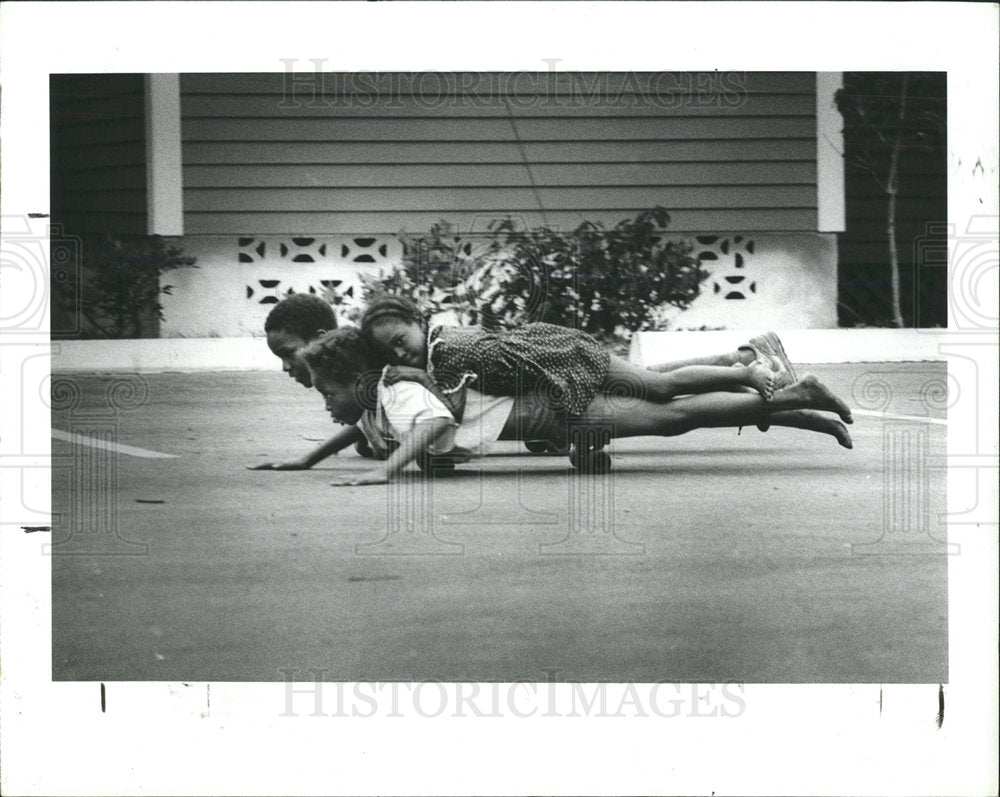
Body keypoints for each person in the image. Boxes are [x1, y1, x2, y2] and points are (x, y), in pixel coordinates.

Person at [300, 328, 854, 487]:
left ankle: (791, 396)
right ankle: (786, 399)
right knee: (664, 399)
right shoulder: (380, 402)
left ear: (357, 382)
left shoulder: (397, 393)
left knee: (671, 413)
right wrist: (307, 459)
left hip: (557, 409)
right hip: (552, 408)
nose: (324, 403)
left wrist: (387, 472)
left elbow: (435, 424)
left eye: (327, 392)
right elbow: (366, 429)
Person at [360, 296, 784, 417]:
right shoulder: (440, 339)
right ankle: (739, 364)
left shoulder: (444, 354)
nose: (400, 352)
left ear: (417, 321)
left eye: (400, 339)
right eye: (390, 351)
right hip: (556, 354)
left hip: (565, 357)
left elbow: (452, 409)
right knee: (647, 380)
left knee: (658, 388)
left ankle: (745, 372)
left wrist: (417, 379)